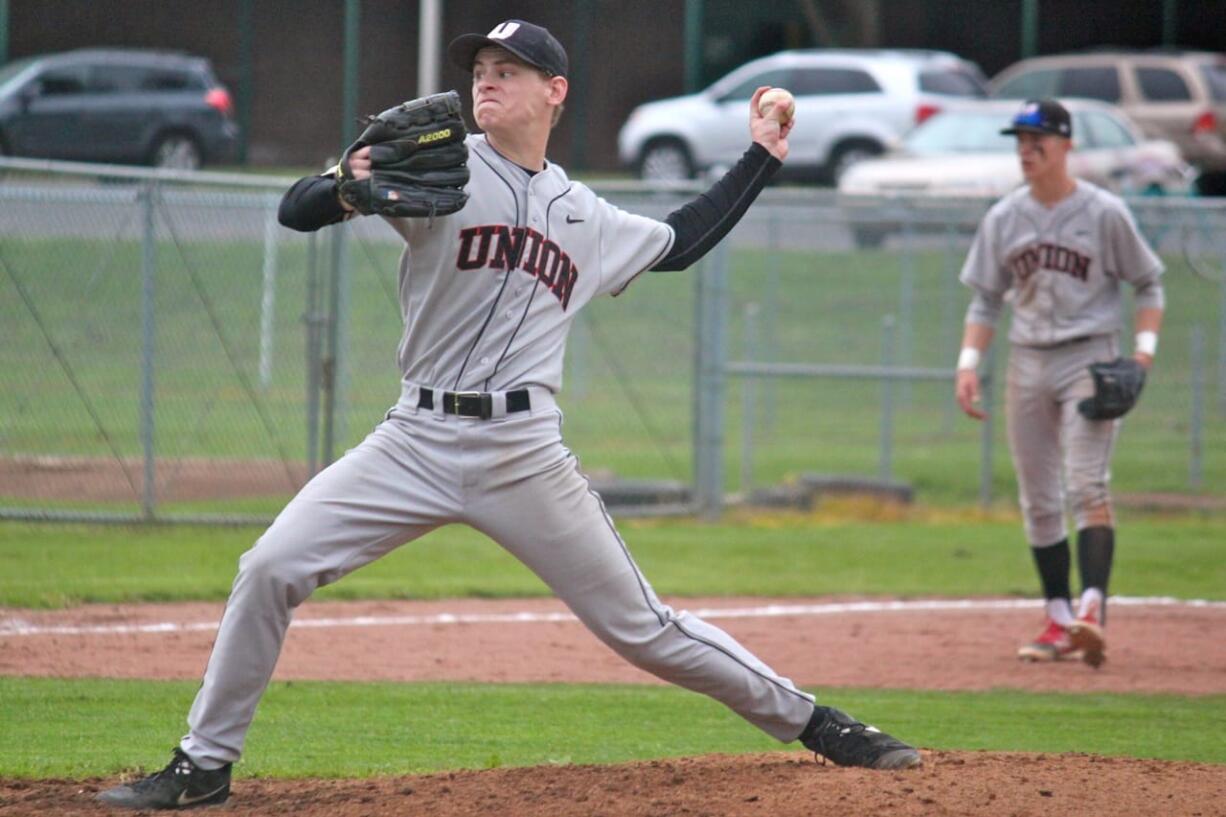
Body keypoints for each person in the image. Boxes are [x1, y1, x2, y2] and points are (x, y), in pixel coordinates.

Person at [97, 18, 920, 811]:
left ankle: (822, 723)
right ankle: (203, 765)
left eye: (508, 69)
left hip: (524, 452)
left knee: (642, 626)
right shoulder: (439, 167)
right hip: (413, 439)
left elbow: (683, 238)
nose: (485, 79)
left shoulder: (584, 215)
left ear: (553, 91)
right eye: (480, 69)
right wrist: (349, 187)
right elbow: (298, 208)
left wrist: (762, 156)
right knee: (270, 567)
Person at [954, 98, 1165, 668]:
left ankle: (1091, 612)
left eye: (1037, 139)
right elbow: (986, 299)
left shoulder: (1104, 212)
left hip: (1089, 358)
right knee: (1039, 498)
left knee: (1086, 484)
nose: (1026, 149)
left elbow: (1149, 285)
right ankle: (1057, 619)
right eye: (1020, 140)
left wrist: (1142, 357)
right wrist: (968, 363)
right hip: (1027, 360)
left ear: (1066, 144)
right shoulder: (1004, 217)